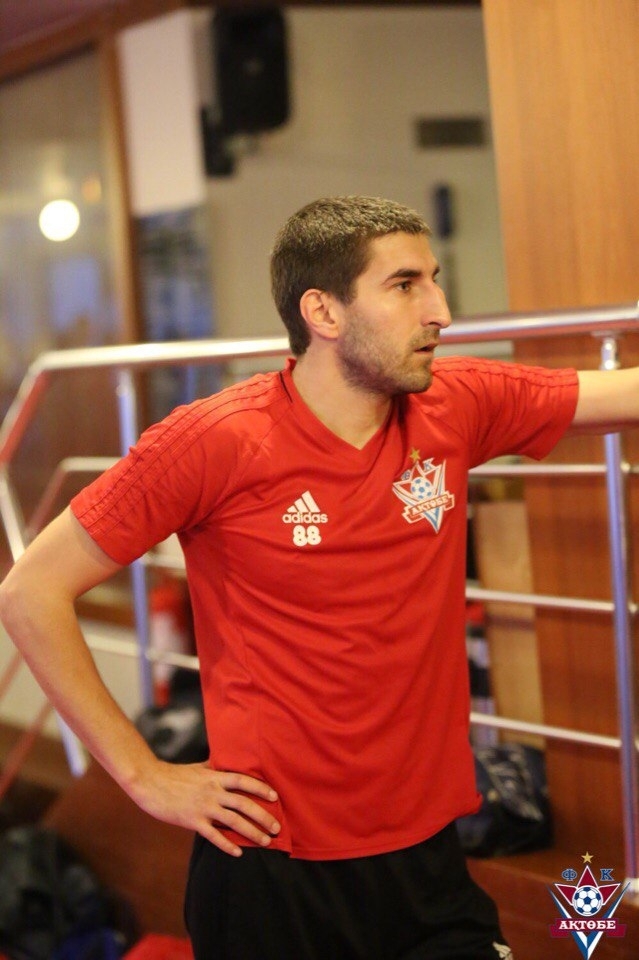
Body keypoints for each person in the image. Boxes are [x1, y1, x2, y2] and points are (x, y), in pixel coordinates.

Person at [0, 195, 636, 960]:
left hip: (428, 858)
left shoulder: (454, 404)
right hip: (273, 868)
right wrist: (142, 775)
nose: (439, 311)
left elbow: (620, 393)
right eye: (404, 285)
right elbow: (29, 592)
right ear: (322, 312)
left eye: (433, 281)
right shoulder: (214, 440)